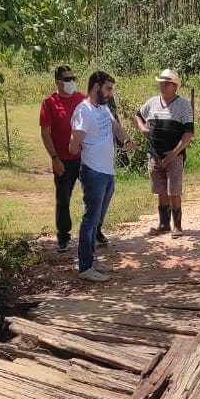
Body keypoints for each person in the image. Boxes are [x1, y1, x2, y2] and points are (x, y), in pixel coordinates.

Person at [69, 71, 132, 281]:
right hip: (93, 172)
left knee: (96, 220)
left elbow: (115, 127)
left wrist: (126, 142)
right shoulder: (83, 111)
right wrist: (81, 146)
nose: (110, 93)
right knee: (90, 219)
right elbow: (73, 146)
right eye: (108, 88)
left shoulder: (104, 108)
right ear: (96, 87)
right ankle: (85, 267)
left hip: (107, 173)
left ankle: (91, 261)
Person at [134, 69, 196, 237]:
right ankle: (163, 224)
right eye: (161, 82)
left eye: (166, 83)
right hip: (154, 154)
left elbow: (189, 133)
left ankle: (177, 226)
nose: (162, 85)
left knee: (174, 191)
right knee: (161, 191)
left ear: (175, 86)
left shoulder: (183, 105)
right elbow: (138, 115)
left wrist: (174, 153)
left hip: (174, 156)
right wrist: (142, 127)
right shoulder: (152, 102)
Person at [39, 65, 88, 253]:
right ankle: (63, 237)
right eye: (67, 79)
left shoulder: (82, 99)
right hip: (63, 160)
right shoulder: (49, 102)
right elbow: (45, 132)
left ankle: (95, 230)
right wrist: (54, 158)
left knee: (94, 196)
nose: (71, 82)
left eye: (73, 78)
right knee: (63, 199)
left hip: (84, 158)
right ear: (58, 82)